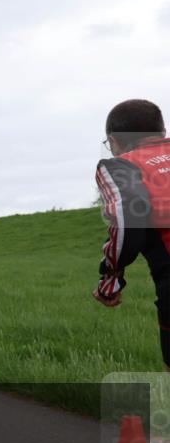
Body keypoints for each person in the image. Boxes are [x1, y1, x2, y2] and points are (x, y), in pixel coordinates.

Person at [94, 99, 170, 371]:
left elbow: (128, 224)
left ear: (113, 141)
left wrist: (111, 278)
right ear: (161, 131)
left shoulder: (121, 166)